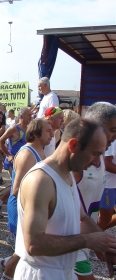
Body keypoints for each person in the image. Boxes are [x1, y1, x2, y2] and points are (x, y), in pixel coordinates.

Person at [14, 118, 116, 280]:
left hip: (62, 273)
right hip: (41, 274)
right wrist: (88, 240)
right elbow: (34, 244)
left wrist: (107, 247)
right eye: (95, 154)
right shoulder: (41, 181)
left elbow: (82, 217)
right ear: (74, 145)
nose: (97, 162)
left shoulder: (67, 174)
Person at [0, 118, 53, 279]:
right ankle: (6, 268)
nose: (52, 134)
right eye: (48, 130)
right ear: (35, 133)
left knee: (23, 251)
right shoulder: (28, 154)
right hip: (24, 208)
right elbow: (16, 189)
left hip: (33, 207)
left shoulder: (40, 150)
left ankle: (6, 266)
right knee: (25, 250)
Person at [73, 102, 116, 279]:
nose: (115, 135)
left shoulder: (96, 159)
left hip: (83, 242)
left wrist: (103, 243)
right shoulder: (75, 161)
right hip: (69, 244)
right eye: (112, 129)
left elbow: (85, 213)